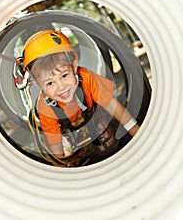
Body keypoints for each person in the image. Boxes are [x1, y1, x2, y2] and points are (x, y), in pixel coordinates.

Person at [22, 29, 140, 166]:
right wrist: (61, 168)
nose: (61, 87)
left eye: (64, 76)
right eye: (50, 83)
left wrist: (135, 130)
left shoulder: (86, 78)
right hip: (66, 130)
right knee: (66, 155)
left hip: (92, 115)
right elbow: (54, 140)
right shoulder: (45, 106)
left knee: (107, 143)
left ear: (74, 65)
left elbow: (112, 105)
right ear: (37, 84)